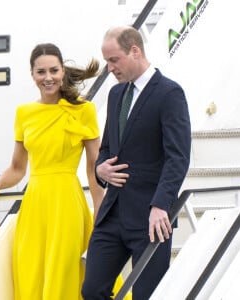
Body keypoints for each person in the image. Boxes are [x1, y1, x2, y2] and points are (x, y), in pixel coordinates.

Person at [0, 43, 105, 300]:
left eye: (54, 70)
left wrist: (101, 210)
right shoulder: (24, 113)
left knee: (63, 271)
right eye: (41, 72)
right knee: (32, 271)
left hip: (67, 204)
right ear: (32, 74)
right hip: (34, 205)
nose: (48, 78)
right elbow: (17, 168)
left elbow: (94, 168)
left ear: (63, 71)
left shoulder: (84, 110)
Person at [82, 26, 191, 300]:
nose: (109, 68)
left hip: (151, 218)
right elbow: (106, 148)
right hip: (112, 215)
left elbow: (177, 157)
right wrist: (100, 169)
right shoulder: (117, 94)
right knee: (92, 290)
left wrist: (161, 205)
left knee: (148, 295)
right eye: (107, 61)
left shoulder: (169, 94)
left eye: (114, 60)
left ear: (135, 51)